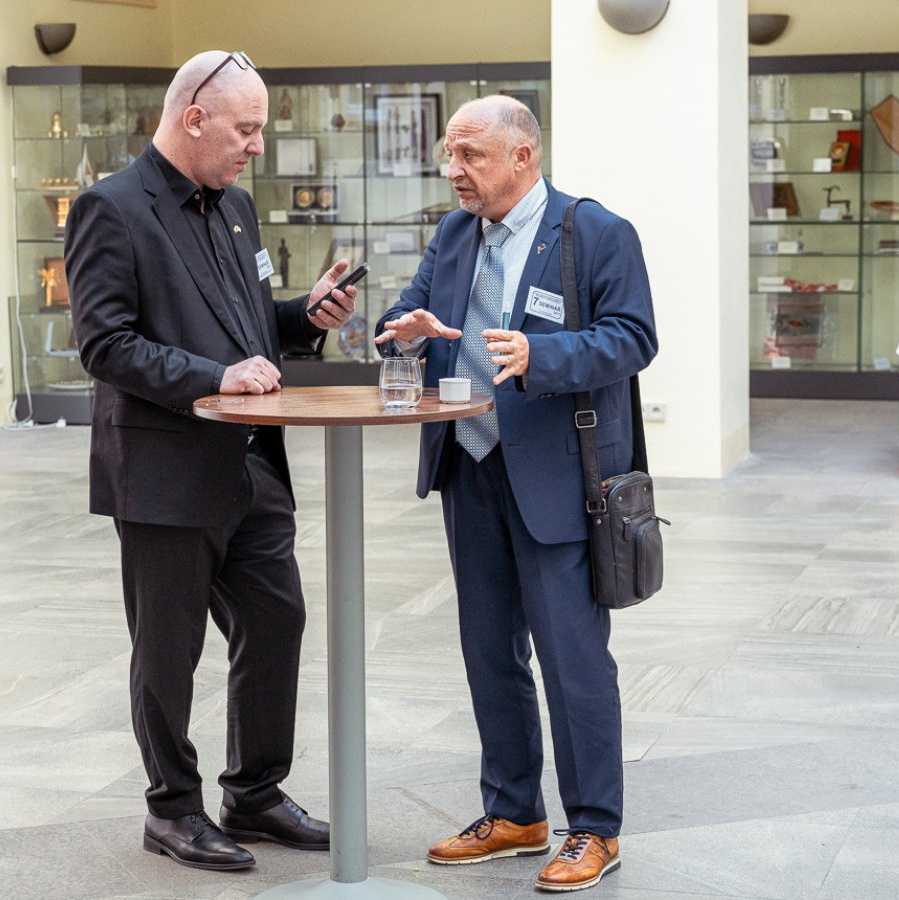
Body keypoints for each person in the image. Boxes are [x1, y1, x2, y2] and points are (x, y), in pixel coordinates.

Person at [65, 50, 359, 872]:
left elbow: (245, 322)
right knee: (168, 653)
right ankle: (172, 810)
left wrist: (303, 317)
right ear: (194, 118)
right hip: (165, 474)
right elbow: (105, 344)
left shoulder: (235, 207)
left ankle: (254, 793)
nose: (258, 146)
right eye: (247, 129)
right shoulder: (109, 208)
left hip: (251, 465)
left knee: (277, 621)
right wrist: (213, 377)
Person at [374, 95, 657, 893]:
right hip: (470, 467)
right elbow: (403, 313)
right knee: (489, 652)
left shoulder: (595, 233)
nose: (454, 170)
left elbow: (634, 337)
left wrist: (542, 354)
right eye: (449, 155)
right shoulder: (454, 233)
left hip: (559, 479)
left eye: (470, 155)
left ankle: (594, 828)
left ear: (522, 156)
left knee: (573, 660)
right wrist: (404, 332)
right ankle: (513, 813)